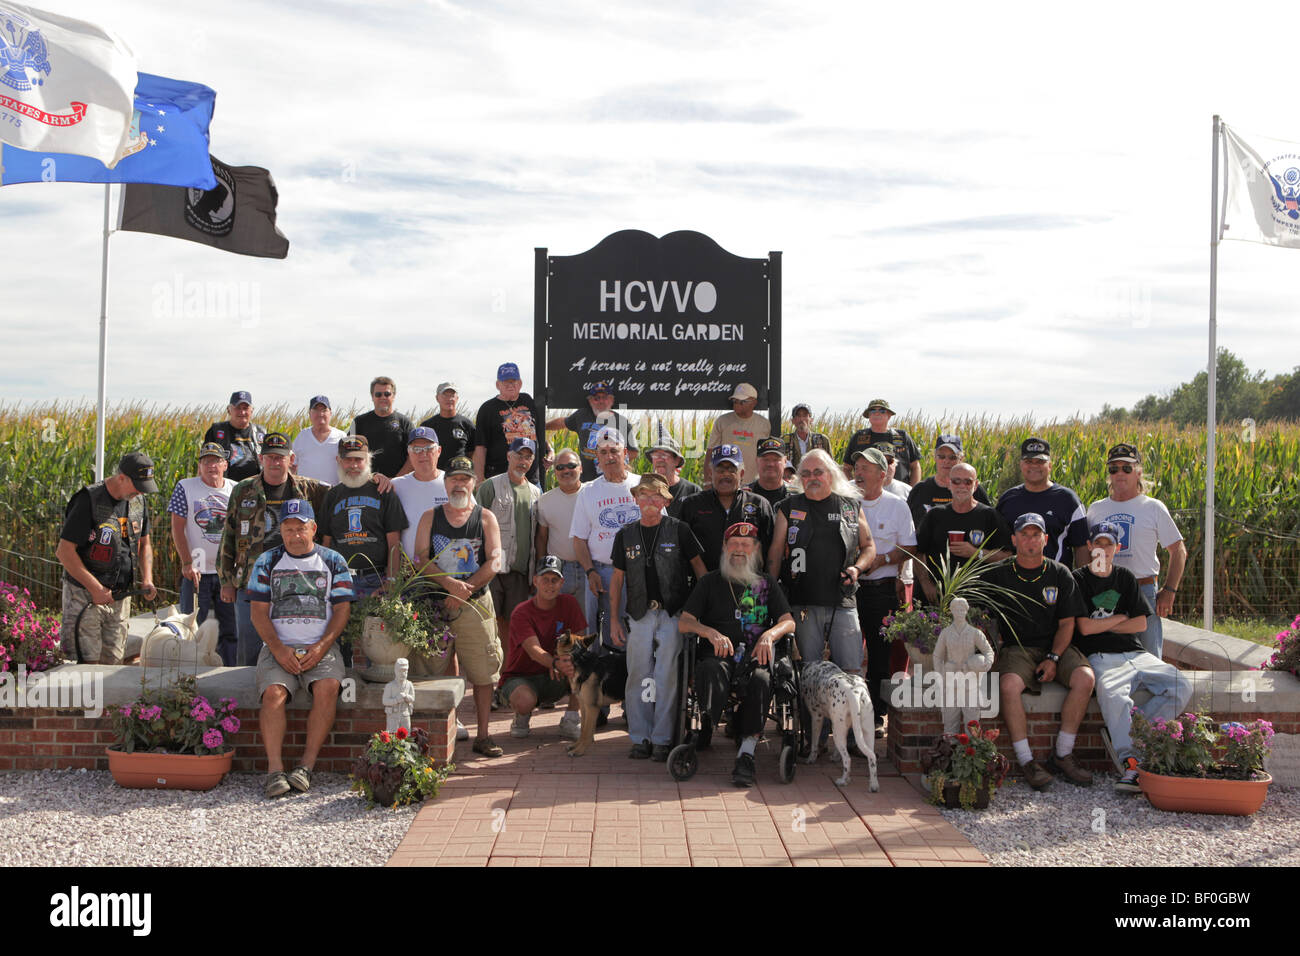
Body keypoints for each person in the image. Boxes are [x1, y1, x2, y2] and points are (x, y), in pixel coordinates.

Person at [1072, 521, 1193, 793]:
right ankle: (1131, 762)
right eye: (1098, 543)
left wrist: (1107, 623)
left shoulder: (1125, 577)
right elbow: (1084, 628)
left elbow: (1140, 625)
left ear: (1118, 547)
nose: (1103, 548)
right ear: (1090, 546)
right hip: (1102, 657)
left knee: (1180, 685)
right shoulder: (1078, 579)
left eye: (1109, 544)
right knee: (1115, 698)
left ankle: (1136, 734)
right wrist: (1119, 618)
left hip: (1137, 653)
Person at [247, 499, 354, 798]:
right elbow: (257, 612)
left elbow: (343, 610)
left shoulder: (333, 561)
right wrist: (279, 649)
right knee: (273, 694)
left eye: (301, 528)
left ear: (314, 529)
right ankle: (274, 770)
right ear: (280, 529)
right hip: (278, 645)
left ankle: (306, 766)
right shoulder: (266, 561)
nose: (295, 535)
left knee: (328, 687)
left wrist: (321, 647)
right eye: (288, 529)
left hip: (320, 647)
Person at [679, 522, 796, 787]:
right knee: (710, 670)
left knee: (762, 680)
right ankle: (708, 721)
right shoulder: (710, 581)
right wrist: (709, 632)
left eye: (746, 544)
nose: (739, 549)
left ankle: (747, 753)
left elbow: (789, 621)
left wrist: (769, 635)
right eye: (733, 543)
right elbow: (684, 622)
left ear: (755, 549)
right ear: (724, 547)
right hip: (718, 656)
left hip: (755, 657)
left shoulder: (765, 583)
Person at [985, 513, 1094, 790]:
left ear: (1045, 539)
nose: (1030, 540)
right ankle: (1026, 760)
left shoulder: (1059, 573)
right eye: (1024, 534)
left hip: (1055, 645)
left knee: (1085, 679)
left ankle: (1063, 754)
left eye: (1036, 535)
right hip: (1017, 648)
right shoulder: (999, 573)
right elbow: (983, 617)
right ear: (1014, 539)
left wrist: (1054, 658)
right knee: (1008, 687)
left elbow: (1067, 623)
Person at [609, 474, 707, 760]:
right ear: (635, 499)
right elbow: (616, 580)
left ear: (666, 501)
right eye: (644, 495)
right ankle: (640, 738)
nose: (650, 501)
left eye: (656, 497)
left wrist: (696, 614)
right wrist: (614, 619)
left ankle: (663, 739)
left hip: (673, 613)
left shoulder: (680, 530)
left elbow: (701, 571)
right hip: (639, 614)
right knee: (638, 674)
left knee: (667, 676)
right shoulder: (625, 534)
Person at [414, 456, 505, 757]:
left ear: (474, 483)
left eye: (465, 478)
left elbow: (494, 560)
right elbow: (420, 558)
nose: (459, 483)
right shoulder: (431, 516)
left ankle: (484, 735)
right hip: (437, 604)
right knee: (433, 673)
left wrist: (466, 590)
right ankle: (436, 739)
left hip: (475, 604)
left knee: (483, 672)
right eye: (454, 478)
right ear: (445, 482)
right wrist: (449, 585)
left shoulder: (485, 517)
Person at [218, 433, 329, 666]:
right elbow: (228, 534)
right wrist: (226, 580)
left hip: (294, 581)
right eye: (269, 457)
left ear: (291, 459)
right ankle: (245, 697)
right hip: (251, 579)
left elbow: (341, 493)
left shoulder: (309, 489)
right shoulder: (243, 490)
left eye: (280, 457)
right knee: (248, 646)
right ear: (261, 458)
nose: (275, 462)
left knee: (290, 645)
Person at [767, 448, 876, 675]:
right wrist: (772, 593)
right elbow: (775, 554)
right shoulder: (788, 507)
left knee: (851, 671)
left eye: (818, 472)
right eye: (805, 474)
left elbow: (869, 547)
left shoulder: (850, 506)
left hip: (843, 600)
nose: (812, 478)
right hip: (803, 602)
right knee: (808, 671)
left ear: (830, 474)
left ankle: (852, 711)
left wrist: (857, 568)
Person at [1086, 443, 1187, 661]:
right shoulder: (1096, 509)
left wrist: (1170, 590)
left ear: (1138, 472)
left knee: (1149, 659)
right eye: (1114, 468)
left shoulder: (1153, 507)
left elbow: (1178, 549)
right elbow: (1086, 551)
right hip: (1105, 592)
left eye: (1126, 468)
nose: (1120, 473)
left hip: (1144, 590)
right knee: (1106, 657)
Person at [56, 452, 158, 663]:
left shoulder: (138, 502)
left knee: (113, 664)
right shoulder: (88, 500)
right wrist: (95, 588)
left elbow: (144, 543)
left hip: (120, 598)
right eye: (137, 485)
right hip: (84, 597)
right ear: (122, 477)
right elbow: (64, 552)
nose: (140, 492)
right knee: (84, 664)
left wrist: (147, 578)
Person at [852, 448, 917, 728]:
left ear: (882, 474)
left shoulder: (897, 505)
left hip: (882, 588)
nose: (859, 473)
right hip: (849, 588)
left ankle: (876, 714)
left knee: (879, 653)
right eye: (857, 467)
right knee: (849, 651)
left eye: (866, 468)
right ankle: (848, 711)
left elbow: (910, 547)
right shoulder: (846, 502)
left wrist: (883, 560)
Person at [569, 427, 641, 647]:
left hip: (637, 573)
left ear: (625, 452)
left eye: (614, 451)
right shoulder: (588, 492)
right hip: (602, 573)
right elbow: (579, 538)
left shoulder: (642, 485)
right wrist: (590, 571)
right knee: (600, 638)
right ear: (597, 457)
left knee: (635, 636)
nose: (609, 457)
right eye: (603, 452)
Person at [167, 442, 237, 665]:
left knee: (230, 630)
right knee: (192, 629)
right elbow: (177, 528)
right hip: (196, 573)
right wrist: (187, 562)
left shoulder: (236, 489)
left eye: (216, 461)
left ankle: (228, 673)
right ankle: (190, 677)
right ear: (199, 466)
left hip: (226, 574)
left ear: (225, 464)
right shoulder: (185, 487)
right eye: (206, 461)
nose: (211, 466)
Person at [503, 556, 584, 743]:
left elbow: (579, 641)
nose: (550, 584)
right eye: (544, 579)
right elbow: (533, 650)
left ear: (562, 582)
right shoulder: (521, 612)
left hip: (556, 674)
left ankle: (571, 719)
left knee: (584, 665)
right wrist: (554, 662)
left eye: (554, 580)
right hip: (522, 676)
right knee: (524, 701)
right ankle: (521, 717)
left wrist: (562, 658)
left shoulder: (570, 603)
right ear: (535, 581)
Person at [320, 436, 408, 600]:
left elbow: (394, 543)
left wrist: (391, 581)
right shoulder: (332, 496)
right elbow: (326, 543)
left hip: (376, 579)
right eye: (348, 460)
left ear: (368, 459)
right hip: (341, 580)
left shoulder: (383, 491)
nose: (353, 465)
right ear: (339, 460)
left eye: (358, 459)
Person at [914, 462, 1012, 603]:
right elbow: (918, 552)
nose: (961, 486)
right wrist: (925, 583)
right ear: (949, 483)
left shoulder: (989, 515)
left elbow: (1007, 556)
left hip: (976, 599)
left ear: (976, 485)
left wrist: (976, 553)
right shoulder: (935, 515)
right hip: (937, 598)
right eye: (956, 481)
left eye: (968, 482)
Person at [475, 437, 541, 640]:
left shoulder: (536, 493)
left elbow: (538, 535)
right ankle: (488, 671)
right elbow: (475, 527)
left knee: (513, 628)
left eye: (528, 457)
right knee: (487, 624)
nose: (523, 461)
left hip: (519, 573)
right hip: (491, 570)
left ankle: (506, 671)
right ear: (508, 456)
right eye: (519, 456)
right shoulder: (490, 487)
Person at [677, 444, 775, 572]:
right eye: (720, 470)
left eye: (731, 470)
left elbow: (770, 551)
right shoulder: (692, 505)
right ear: (711, 473)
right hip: (703, 586)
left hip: (749, 588)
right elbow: (681, 549)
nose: (725, 475)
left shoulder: (759, 505)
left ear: (742, 473)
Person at [996, 437, 1090, 568]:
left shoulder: (1068, 500)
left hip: (1055, 583)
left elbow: (1082, 547)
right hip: (1013, 584)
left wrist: (1083, 584)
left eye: (1040, 461)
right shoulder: (1008, 499)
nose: (1034, 465)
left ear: (1050, 466)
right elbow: (999, 546)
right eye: (1029, 461)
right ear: (1021, 465)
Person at [546, 380, 639, 482]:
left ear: (611, 400)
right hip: (585, 480)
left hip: (612, 479)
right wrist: (543, 427)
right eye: (596, 398)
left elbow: (633, 452)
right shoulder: (581, 415)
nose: (601, 401)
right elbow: (562, 422)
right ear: (590, 401)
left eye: (605, 397)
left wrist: (612, 461)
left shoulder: (622, 422)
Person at [473, 362, 550, 485]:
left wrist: (549, 449)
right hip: (500, 479)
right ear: (498, 385)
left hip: (531, 479)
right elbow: (480, 448)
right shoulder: (487, 409)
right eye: (506, 382)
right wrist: (479, 481)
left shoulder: (528, 400)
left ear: (520, 383)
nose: (510, 385)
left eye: (513, 381)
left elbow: (536, 430)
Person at [390, 426, 448, 563]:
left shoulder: (454, 483)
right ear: (409, 454)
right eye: (416, 449)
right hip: (409, 574)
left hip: (447, 571)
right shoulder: (396, 486)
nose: (423, 454)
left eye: (428, 448)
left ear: (439, 451)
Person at [908, 434, 991, 530]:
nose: (946, 461)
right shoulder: (920, 489)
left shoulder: (972, 488)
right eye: (941, 456)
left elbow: (989, 522)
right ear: (934, 457)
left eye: (952, 457)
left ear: (961, 459)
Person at [536, 449, 586, 597]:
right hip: (558, 570)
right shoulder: (545, 501)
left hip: (589, 569)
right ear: (554, 471)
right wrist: (542, 570)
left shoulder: (593, 494)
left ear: (581, 468)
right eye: (560, 467)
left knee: (587, 619)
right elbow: (542, 538)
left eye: (571, 466)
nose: (566, 470)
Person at [703, 382, 771, 487]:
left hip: (754, 484)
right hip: (725, 483)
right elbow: (711, 451)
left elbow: (767, 455)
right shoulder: (722, 421)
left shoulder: (764, 424)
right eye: (735, 401)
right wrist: (708, 482)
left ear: (754, 402)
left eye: (742, 402)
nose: (737, 404)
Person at [842, 399, 921, 487]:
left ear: (889, 415)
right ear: (868, 415)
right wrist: (852, 489)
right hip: (867, 493)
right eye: (873, 410)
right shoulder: (859, 437)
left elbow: (915, 466)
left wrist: (913, 490)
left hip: (899, 492)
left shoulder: (902, 436)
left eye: (882, 411)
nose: (877, 413)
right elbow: (846, 468)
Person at [348, 376, 414, 480]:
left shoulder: (405, 422)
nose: (383, 397)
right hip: (366, 483)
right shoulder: (359, 422)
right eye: (378, 394)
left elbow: (413, 456)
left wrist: (396, 480)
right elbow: (349, 453)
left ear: (393, 396)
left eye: (387, 394)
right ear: (372, 396)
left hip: (397, 485)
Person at [203, 390, 266, 482]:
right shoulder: (216, 431)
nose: (242, 412)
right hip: (224, 487)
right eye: (238, 408)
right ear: (229, 410)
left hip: (255, 487)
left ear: (252, 411)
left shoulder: (261, 433)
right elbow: (204, 461)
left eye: (245, 408)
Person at [418, 382, 476, 472]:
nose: (449, 399)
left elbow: (473, 453)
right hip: (433, 477)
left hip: (459, 476)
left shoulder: (467, 424)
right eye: (445, 395)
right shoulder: (427, 426)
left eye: (452, 395)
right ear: (437, 398)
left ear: (457, 398)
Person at [292, 395, 346, 485]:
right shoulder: (302, 436)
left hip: (332, 494)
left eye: (324, 410)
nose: (320, 414)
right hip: (305, 493)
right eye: (316, 410)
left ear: (330, 413)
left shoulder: (341, 437)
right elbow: (291, 465)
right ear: (310, 414)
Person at [645, 433, 700, 517]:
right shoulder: (643, 491)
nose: (659, 459)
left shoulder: (693, 491)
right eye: (655, 455)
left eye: (664, 455)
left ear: (677, 461)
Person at [781, 401, 831, 479]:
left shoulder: (822, 440)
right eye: (798, 416)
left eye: (805, 415)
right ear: (793, 420)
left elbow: (830, 466)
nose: (802, 419)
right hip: (792, 484)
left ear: (811, 420)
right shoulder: (784, 441)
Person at [747, 437, 792, 507]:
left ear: (785, 461)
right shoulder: (743, 495)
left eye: (776, 459)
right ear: (756, 461)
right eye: (766, 459)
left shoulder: (797, 496)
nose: (770, 464)